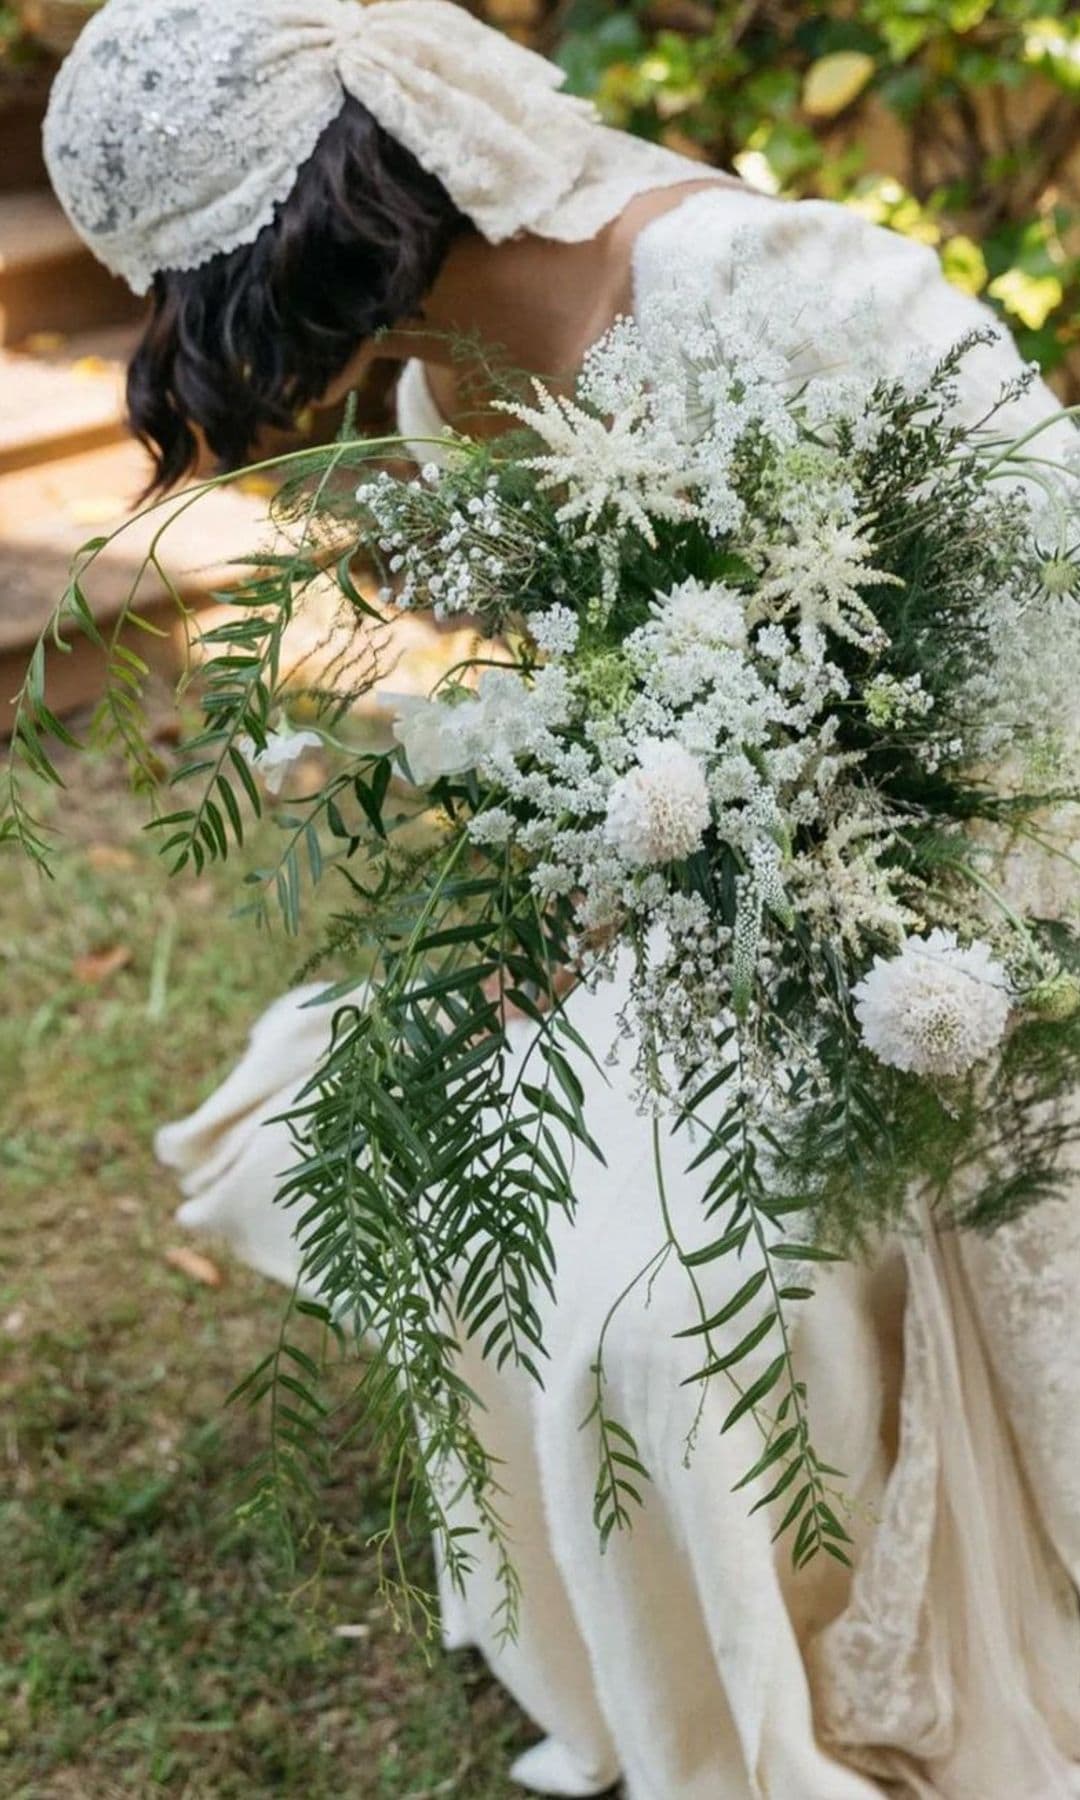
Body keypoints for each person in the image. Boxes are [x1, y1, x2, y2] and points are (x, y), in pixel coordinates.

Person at [44, 4, 1080, 1796]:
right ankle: (648, 1657)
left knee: (657, 1314)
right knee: (402, 1128)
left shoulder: (782, 283)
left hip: (973, 906)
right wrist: (590, 893)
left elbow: (1045, 630)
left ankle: (798, 1664)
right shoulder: (460, 395)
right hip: (710, 913)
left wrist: (835, 881)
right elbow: (605, 715)